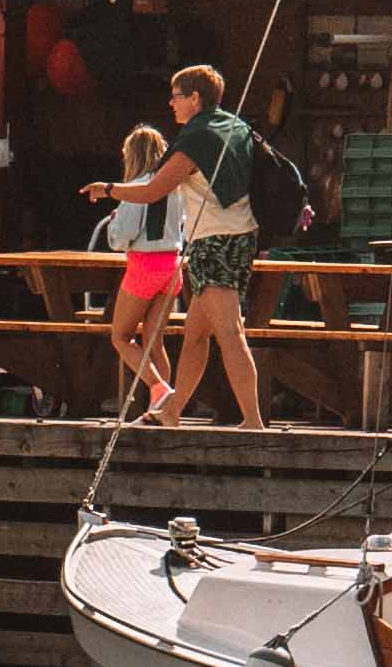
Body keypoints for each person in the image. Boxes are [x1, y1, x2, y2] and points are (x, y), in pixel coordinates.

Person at [149, 60, 267, 429]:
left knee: (230, 333)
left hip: (216, 241)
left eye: (176, 96)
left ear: (195, 98)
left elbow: (154, 189)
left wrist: (108, 189)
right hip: (232, 238)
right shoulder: (237, 127)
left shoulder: (197, 138)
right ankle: (172, 411)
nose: (171, 103)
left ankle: (253, 420)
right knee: (196, 335)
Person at [90, 124, 188, 409]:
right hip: (172, 266)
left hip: (144, 266)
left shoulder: (136, 188)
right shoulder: (175, 187)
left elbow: (122, 238)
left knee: (121, 337)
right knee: (154, 341)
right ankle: (162, 410)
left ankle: (157, 389)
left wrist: (114, 221)